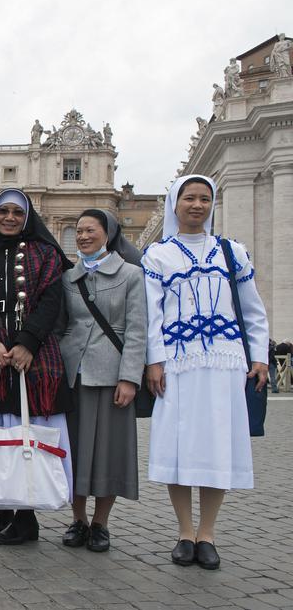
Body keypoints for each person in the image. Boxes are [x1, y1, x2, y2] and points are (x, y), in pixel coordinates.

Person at [142, 175, 269, 570]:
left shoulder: (232, 252)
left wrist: (260, 356)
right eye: (189, 198)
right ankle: (184, 531)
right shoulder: (158, 255)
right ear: (174, 203)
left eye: (204, 199)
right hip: (178, 362)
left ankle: (207, 533)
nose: (197, 205)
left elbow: (252, 309)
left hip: (225, 362)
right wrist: (154, 360)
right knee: (179, 444)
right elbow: (152, 314)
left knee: (218, 443)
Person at [0, 188, 73, 545]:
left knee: (26, 433)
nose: (9, 218)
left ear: (27, 218)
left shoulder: (46, 255)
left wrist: (27, 342)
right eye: (3, 211)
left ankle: (27, 519)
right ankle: (3, 508)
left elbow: (51, 301)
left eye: (17, 212)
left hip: (34, 360)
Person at [57, 210, 146, 552]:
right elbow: (64, 324)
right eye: (78, 230)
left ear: (107, 233)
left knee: (109, 450)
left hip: (112, 374)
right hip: (74, 373)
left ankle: (101, 523)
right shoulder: (69, 277)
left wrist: (129, 377)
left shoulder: (131, 275)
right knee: (75, 450)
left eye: (89, 230)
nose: (82, 236)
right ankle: (78, 519)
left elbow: (137, 330)